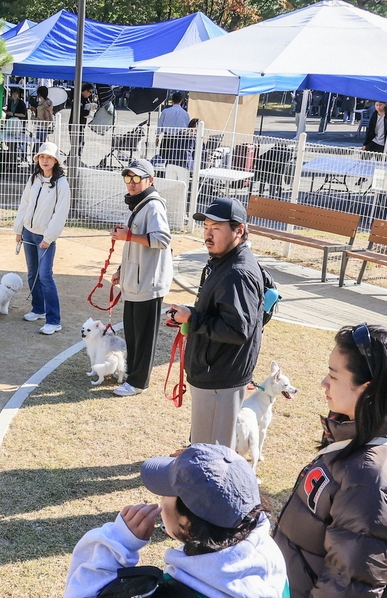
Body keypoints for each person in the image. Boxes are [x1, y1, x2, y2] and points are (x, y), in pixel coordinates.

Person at [58, 443, 289, 598]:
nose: (159, 497)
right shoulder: (271, 560)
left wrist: (116, 541)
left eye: (166, 492)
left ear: (187, 522)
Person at [274, 324, 387, 598]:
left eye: (333, 375)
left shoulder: (371, 479)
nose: (324, 384)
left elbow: (350, 587)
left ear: (366, 389)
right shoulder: (364, 429)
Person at [167, 197, 265, 448]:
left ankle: (203, 486)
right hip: (216, 373)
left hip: (220, 377)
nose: (208, 235)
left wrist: (194, 318)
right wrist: (192, 314)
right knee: (207, 443)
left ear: (239, 230)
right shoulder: (224, 261)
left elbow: (237, 329)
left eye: (216, 228)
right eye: (206, 228)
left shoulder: (237, 273)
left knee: (211, 452)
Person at [111, 158, 174, 397]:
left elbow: (162, 239)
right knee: (133, 333)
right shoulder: (140, 205)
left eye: (137, 178)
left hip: (148, 283)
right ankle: (132, 376)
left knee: (143, 336)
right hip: (135, 282)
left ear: (150, 180)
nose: (132, 183)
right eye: (128, 177)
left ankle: (138, 382)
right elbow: (135, 245)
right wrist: (121, 270)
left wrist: (128, 236)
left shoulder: (153, 206)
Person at [14, 142, 70, 335]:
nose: (45, 160)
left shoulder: (61, 183)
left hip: (45, 236)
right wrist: (19, 229)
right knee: (33, 273)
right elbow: (25, 204)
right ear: (37, 159)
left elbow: (60, 213)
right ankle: (38, 309)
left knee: (45, 276)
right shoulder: (34, 179)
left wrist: (49, 237)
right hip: (28, 232)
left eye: (49, 157)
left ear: (55, 160)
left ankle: (54, 321)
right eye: (42, 157)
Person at [157, 92, 191, 166]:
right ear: (181, 101)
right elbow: (188, 127)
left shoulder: (165, 111)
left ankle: (162, 173)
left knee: (163, 157)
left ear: (172, 100)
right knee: (176, 158)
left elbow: (160, 125)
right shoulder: (186, 114)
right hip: (180, 138)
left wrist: (157, 136)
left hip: (167, 137)